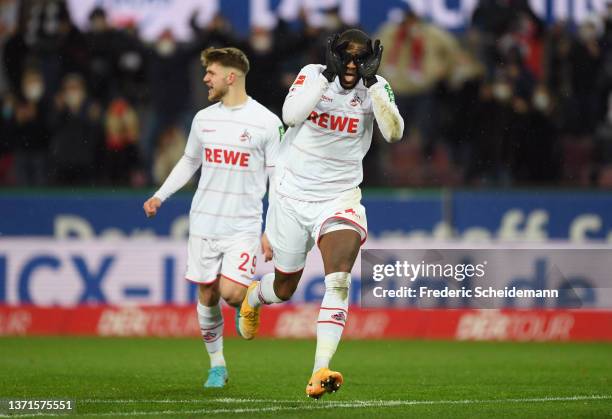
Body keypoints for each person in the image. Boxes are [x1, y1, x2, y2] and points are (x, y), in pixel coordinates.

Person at [236, 29, 404, 398]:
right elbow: (291, 114)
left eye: (361, 58)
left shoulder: (376, 86)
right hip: (292, 196)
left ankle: (320, 370)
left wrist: (374, 83)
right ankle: (254, 296)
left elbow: (393, 132)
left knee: (339, 280)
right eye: (346, 55)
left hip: (339, 197)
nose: (352, 64)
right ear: (332, 55)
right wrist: (327, 75)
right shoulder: (312, 75)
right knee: (284, 288)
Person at [143, 47, 281, 388]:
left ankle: (249, 301)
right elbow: (189, 161)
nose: (206, 78)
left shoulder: (267, 123)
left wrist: (272, 230)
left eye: (211, 72)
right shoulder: (203, 119)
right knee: (207, 293)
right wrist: (161, 195)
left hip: (243, 225)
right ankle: (217, 365)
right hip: (204, 221)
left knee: (232, 293)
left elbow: (278, 179)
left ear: (230, 77)